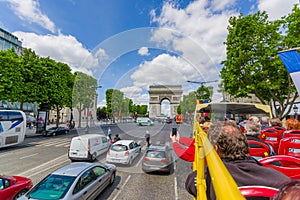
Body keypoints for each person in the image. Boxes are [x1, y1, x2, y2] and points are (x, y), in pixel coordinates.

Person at [185, 121, 291, 199]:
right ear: (245, 143)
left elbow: (191, 184)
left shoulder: (205, 177)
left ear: (215, 149)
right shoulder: (281, 180)